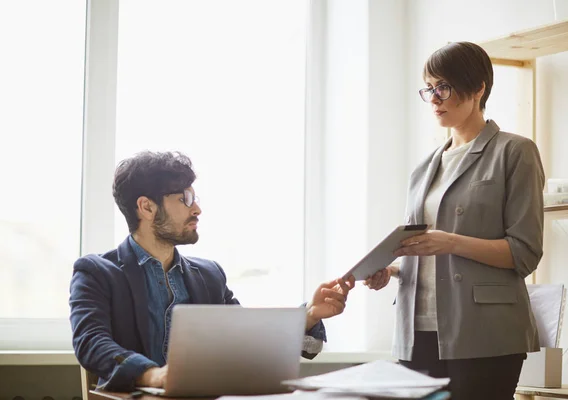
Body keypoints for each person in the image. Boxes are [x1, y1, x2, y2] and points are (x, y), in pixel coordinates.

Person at [69, 151, 355, 392]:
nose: (198, 209)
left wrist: (309, 316)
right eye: (185, 198)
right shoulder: (96, 272)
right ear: (146, 207)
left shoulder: (208, 275)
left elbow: (246, 338)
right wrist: (154, 375)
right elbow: (90, 342)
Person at [364, 42, 544, 400]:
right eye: (429, 88)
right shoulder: (424, 167)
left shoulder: (514, 151)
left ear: (478, 88)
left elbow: (524, 253)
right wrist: (393, 269)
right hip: (417, 330)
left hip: (485, 332)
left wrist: (451, 242)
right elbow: (423, 249)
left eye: (444, 86)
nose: (434, 98)